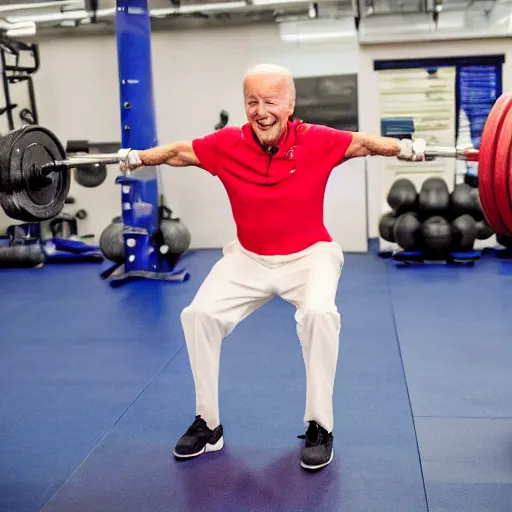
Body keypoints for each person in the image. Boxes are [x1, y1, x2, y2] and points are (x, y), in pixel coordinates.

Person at [118, 63, 425, 471]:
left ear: (290, 103)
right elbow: (178, 152)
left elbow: (365, 144)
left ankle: (320, 426)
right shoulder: (228, 144)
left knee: (319, 315)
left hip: (309, 255)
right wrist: (138, 157)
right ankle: (208, 424)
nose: (261, 111)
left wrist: (403, 148)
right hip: (248, 259)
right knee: (198, 316)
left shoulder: (315, 139)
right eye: (252, 102)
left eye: (270, 102)